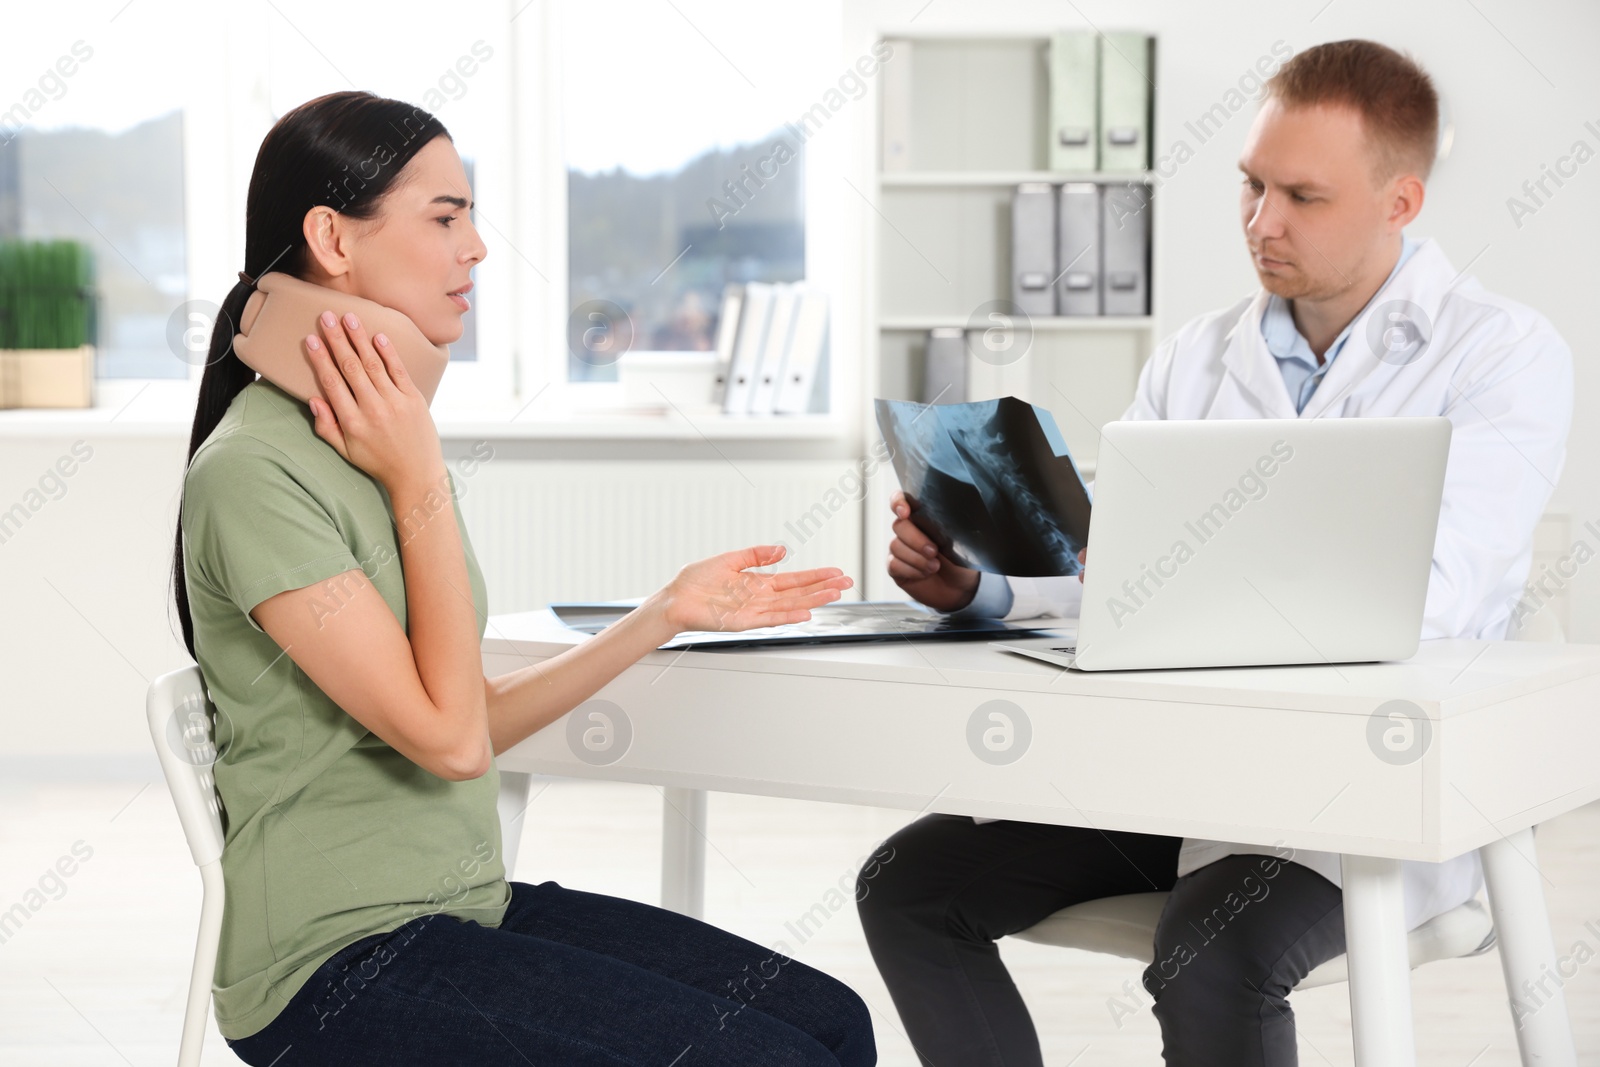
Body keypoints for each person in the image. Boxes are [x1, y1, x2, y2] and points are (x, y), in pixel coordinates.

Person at [857, 39, 1571, 1067]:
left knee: (1207, 950)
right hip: (1183, 770)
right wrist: (979, 582)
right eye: (1249, 184)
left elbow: (1433, 597)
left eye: (1302, 196)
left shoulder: (1502, 354)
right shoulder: (1197, 356)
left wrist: (1172, 580)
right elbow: (1110, 577)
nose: (1261, 222)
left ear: (1401, 203)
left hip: (1361, 787)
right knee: (909, 885)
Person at [171, 90, 874, 1066]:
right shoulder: (258, 473)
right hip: (329, 964)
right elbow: (455, 742)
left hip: (463, 905)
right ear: (332, 236)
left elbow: (470, 715)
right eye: (446, 217)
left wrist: (660, 614)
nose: (477, 250)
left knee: (832, 1022)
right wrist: (417, 474)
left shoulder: (380, 444)